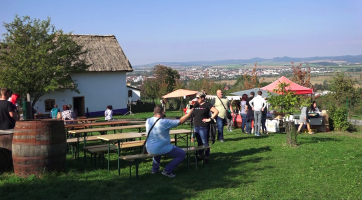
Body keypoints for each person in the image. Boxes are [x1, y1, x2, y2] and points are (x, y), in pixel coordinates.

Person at [146, 105, 194, 178]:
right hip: (160, 148)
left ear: (154, 112)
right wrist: (189, 114)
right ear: (163, 112)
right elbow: (180, 121)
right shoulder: (164, 122)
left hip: (149, 148)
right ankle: (167, 170)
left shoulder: (148, 120)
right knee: (181, 154)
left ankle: (155, 170)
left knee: (157, 151)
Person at [192, 91, 219, 163]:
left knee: (205, 142)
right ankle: (200, 156)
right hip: (196, 126)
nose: (196, 99)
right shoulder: (196, 104)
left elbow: (216, 111)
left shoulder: (207, 104)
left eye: (198, 98)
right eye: (196, 98)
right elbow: (192, 112)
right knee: (199, 143)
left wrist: (210, 119)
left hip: (203, 127)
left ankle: (207, 157)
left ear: (203, 98)